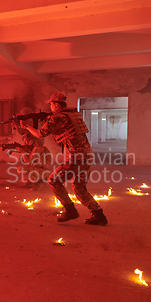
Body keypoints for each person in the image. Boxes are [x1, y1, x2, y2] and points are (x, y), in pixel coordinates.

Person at [20, 92, 108, 225]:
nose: (50, 107)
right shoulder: (74, 114)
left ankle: (70, 210)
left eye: (50, 104)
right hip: (87, 154)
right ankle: (99, 214)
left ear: (56, 104)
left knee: (53, 180)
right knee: (79, 187)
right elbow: (63, 130)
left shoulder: (57, 118)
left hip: (75, 157)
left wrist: (27, 126)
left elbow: (39, 134)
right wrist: (47, 121)